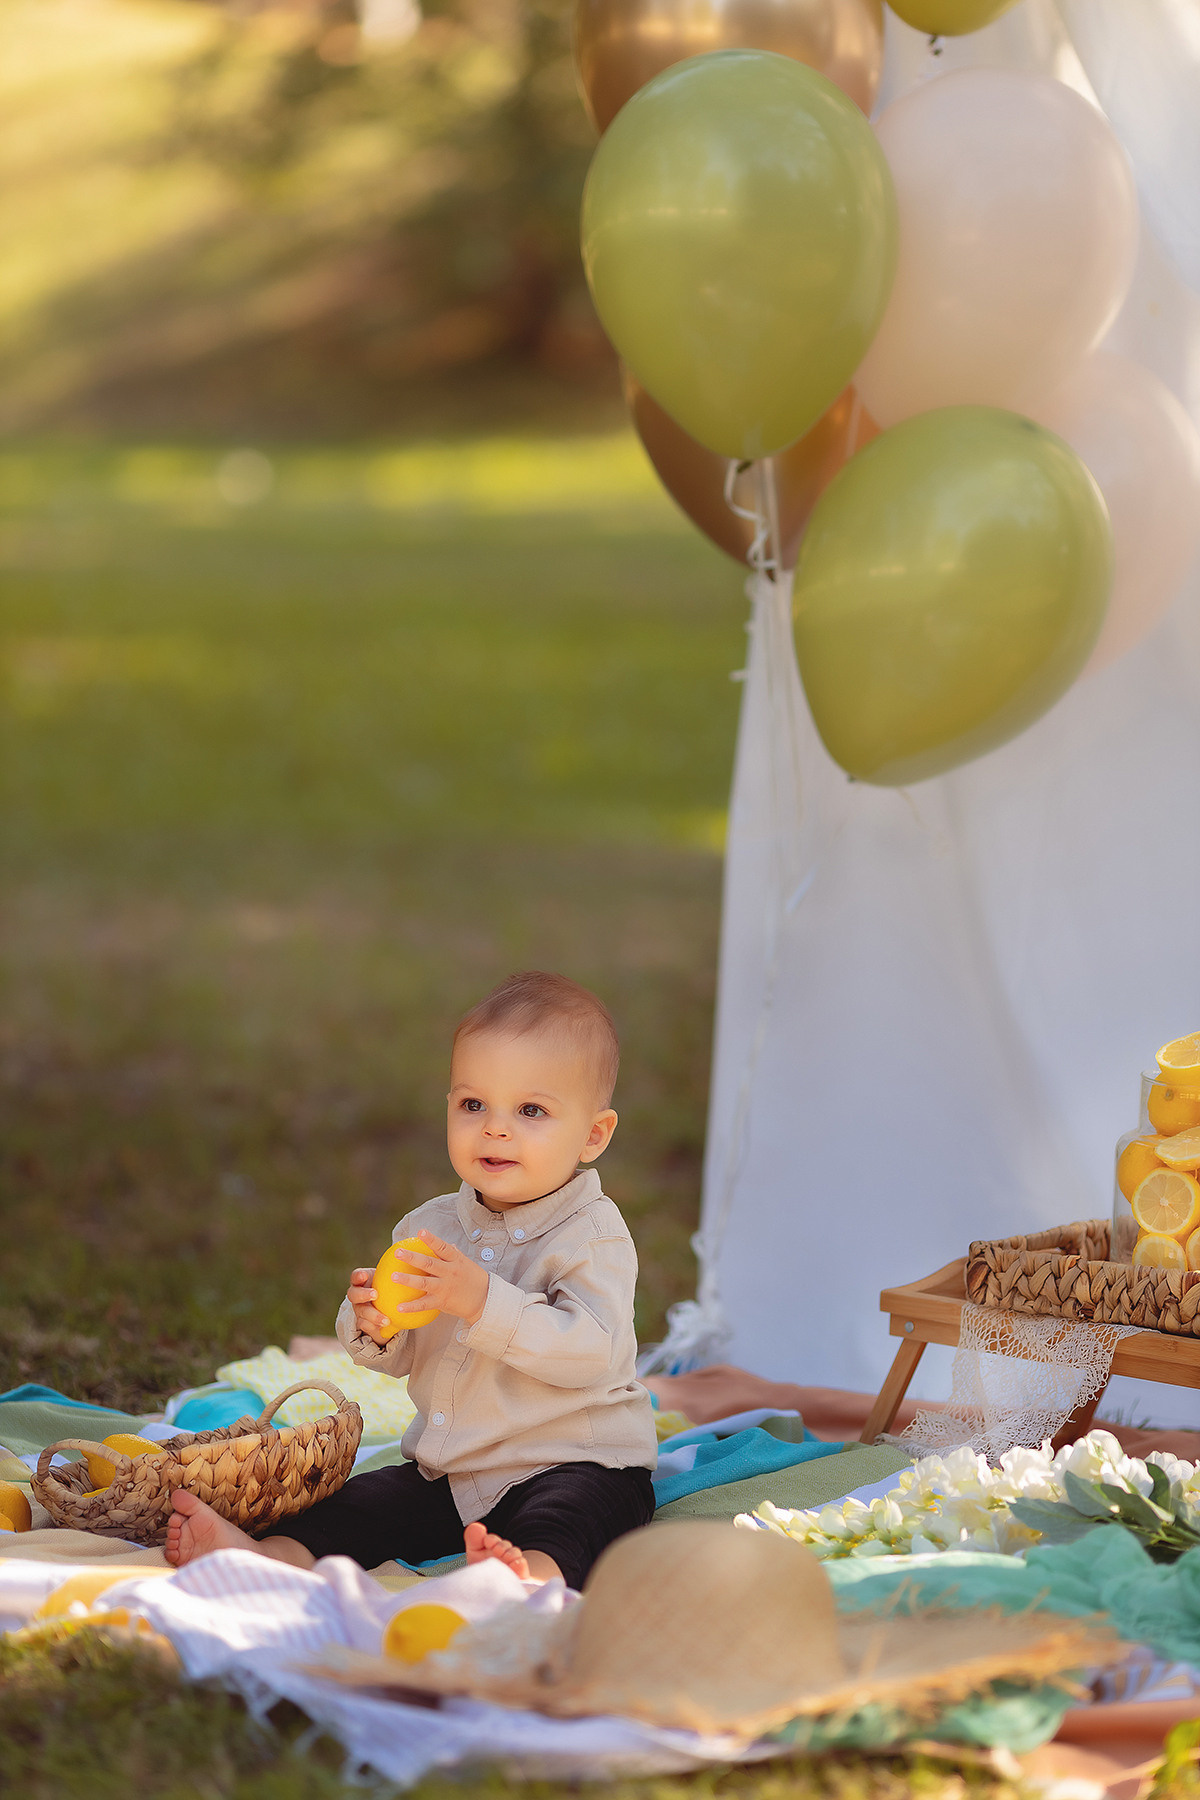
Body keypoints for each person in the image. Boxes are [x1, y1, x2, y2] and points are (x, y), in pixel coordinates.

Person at [165, 971, 658, 1588]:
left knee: (574, 1519)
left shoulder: (593, 1236)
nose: (495, 1128)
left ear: (593, 1135)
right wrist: (374, 1324)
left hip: (575, 1461)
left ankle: (525, 1580)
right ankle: (274, 1557)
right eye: (473, 1104)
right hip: (451, 1472)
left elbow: (593, 1352)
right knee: (361, 1504)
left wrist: (482, 1302)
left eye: (531, 1110)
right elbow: (403, 1355)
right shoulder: (430, 1227)